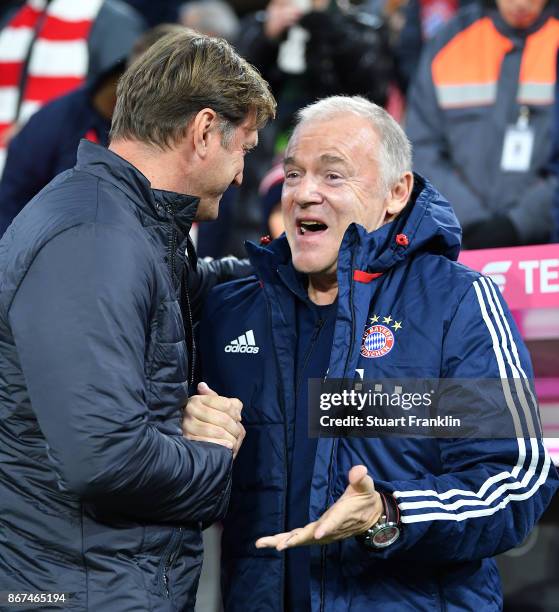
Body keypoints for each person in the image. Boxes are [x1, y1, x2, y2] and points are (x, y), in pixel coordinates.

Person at [184, 95, 558, 610]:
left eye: (333, 176)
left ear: (396, 193)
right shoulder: (233, 311)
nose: (304, 193)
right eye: (293, 175)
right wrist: (191, 445)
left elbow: (517, 478)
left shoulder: (458, 303)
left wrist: (389, 515)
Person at [0, 31, 274, 611]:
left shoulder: (127, 224)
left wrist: (292, 268)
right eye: (244, 148)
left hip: (104, 581)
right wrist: (216, 455)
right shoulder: (95, 241)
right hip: (80, 591)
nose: (243, 174)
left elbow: (189, 290)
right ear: (203, 132)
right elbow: (104, 457)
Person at [0, 23, 184, 239]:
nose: (153, 88)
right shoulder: (56, 121)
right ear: (135, 54)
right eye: (153, 74)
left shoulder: (179, 136)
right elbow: (10, 205)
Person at [406, 0, 559, 249]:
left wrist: (520, 222)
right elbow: (420, 147)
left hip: (547, 245)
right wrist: (468, 220)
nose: (521, 2)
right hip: (461, 244)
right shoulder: (450, 43)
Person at [0, 0, 146, 175]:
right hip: (16, 168)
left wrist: (37, 129)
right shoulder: (15, 17)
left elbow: (128, 105)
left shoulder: (113, 21)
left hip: (70, 168)